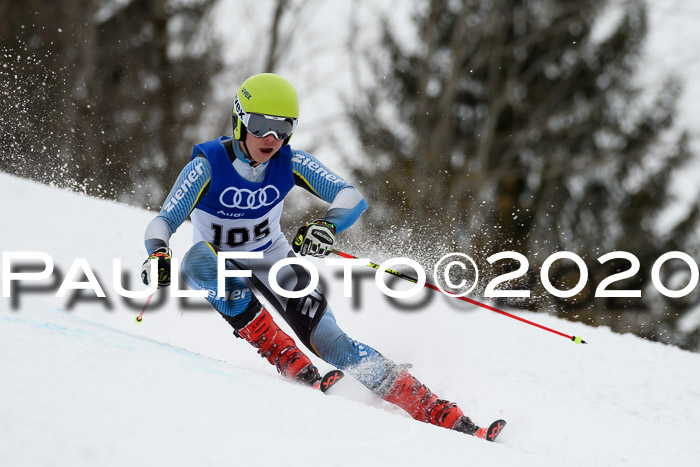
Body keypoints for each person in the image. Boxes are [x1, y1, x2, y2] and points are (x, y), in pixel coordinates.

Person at [141, 73, 498, 440]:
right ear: (239, 120)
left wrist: (327, 226)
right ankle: (284, 355)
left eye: (283, 129)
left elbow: (351, 197)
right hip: (220, 261)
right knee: (197, 261)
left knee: (334, 345)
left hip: (272, 259)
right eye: (262, 126)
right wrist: (157, 252)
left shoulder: (290, 162)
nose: (272, 139)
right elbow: (164, 220)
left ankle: (435, 408)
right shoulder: (207, 165)